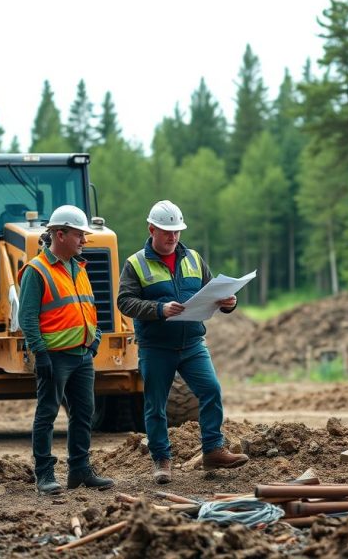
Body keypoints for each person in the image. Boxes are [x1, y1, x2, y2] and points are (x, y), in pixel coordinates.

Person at [117, 200, 249, 485]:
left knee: (211, 390)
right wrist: (158, 310)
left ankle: (213, 450)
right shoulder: (135, 264)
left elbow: (213, 292)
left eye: (176, 231)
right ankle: (162, 460)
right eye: (166, 231)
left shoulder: (194, 259)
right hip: (156, 346)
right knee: (155, 405)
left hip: (191, 343)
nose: (173, 237)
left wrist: (229, 302)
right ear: (152, 228)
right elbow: (125, 302)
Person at [17, 204, 114, 495]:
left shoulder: (78, 267)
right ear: (60, 234)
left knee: (84, 413)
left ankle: (80, 471)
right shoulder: (37, 270)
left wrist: (94, 339)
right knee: (47, 414)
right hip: (55, 357)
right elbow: (27, 317)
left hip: (82, 355)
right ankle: (44, 474)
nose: (84, 241)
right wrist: (40, 353)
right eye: (79, 235)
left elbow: (89, 307)